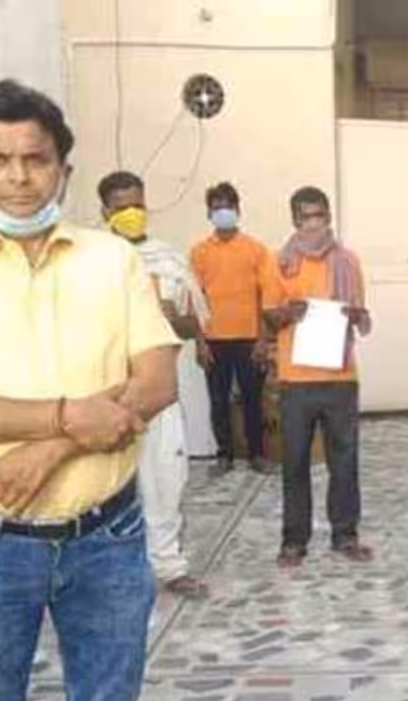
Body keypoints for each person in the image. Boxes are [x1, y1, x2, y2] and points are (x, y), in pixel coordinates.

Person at [0, 80, 178, 701]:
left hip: (108, 535)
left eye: (36, 159)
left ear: (64, 169)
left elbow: (156, 382)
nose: (18, 178)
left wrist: (52, 446)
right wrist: (68, 413)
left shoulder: (113, 260)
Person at [99, 170, 212, 600]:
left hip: (160, 392)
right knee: (111, 485)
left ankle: (169, 566)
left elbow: (193, 324)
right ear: (105, 211)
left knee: (166, 478)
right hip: (110, 394)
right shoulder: (94, 262)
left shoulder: (168, 260)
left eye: (138, 205)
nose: (132, 213)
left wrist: (169, 315)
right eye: (121, 207)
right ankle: (115, 572)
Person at [262, 187, 373, 568]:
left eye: (319, 215)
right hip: (296, 379)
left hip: (341, 376)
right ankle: (294, 540)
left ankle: (345, 534)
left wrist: (356, 315)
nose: (313, 223)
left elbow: (362, 315)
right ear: (294, 220)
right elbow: (269, 316)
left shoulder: (348, 261)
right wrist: (288, 313)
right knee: (294, 461)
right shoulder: (279, 262)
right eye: (305, 216)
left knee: (345, 460)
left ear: (328, 216)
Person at [191, 182, 276, 477]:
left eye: (228, 206)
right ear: (209, 213)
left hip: (250, 339)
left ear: (238, 210)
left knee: (253, 400)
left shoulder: (256, 250)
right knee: (218, 401)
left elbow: (268, 298)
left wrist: (263, 341)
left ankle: (257, 454)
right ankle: (224, 455)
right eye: (217, 208)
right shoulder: (199, 252)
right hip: (213, 340)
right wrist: (200, 343)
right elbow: (194, 300)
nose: (223, 212)